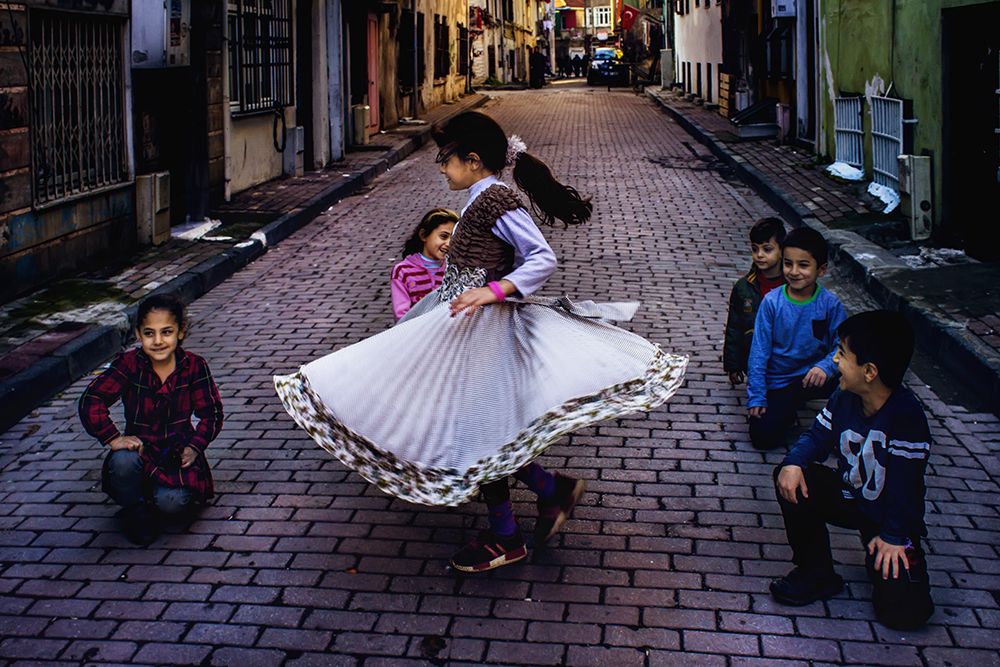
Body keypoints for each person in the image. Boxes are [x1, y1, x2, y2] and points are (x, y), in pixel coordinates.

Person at [274, 111, 687, 572]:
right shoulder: (479, 199)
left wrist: (493, 291)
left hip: (483, 333)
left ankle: (509, 533)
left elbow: (541, 257)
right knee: (482, 432)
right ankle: (550, 492)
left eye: (445, 158)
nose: (441, 167)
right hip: (460, 327)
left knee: (479, 433)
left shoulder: (494, 199)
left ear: (472, 160)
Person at [771, 310, 934, 630]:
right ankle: (816, 572)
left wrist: (893, 536)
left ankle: (887, 555)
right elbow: (817, 437)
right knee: (792, 477)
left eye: (842, 354)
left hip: (890, 516)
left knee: (906, 614)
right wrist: (793, 462)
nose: (835, 360)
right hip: (851, 496)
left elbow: (906, 487)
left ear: (869, 371)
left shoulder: (907, 416)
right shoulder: (844, 396)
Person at [78, 294, 224, 545]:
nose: (158, 341)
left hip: (176, 453)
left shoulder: (194, 366)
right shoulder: (129, 364)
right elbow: (92, 399)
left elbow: (212, 414)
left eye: (166, 332)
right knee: (122, 462)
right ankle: (135, 508)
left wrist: (194, 447)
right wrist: (113, 438)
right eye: (149, 333)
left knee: (172, 504)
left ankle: (155, 499)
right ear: (138, 334)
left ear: (180, 332)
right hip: (139, 449)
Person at [746, 226, 846, 449]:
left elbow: (843, 346)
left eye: (803, 265)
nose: (793, 271)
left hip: (815, 377)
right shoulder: (772, 302)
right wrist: (757, 395)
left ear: (821, 270)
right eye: (788, 263)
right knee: (762, 437)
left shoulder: (830, 304)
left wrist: (826, 366)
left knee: (858, 375)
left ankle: (845, 420)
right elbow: (759, 353)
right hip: (781, 381)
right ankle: (787, 410)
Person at [724, 217, 787, 385]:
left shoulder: (791, 284)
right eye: (755, 249)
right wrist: (733, 366)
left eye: (767, 249)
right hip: (754, 357)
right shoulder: (743, 287)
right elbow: (734, 327)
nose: (759, 255)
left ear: (782, 250)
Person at [391, 208, 457, 320]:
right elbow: (401, 315)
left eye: (454, 238)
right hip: (414, 329)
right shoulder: (403, 271)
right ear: (423, 235)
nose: (449, 243)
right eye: (443, 236)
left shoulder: (453, 269)